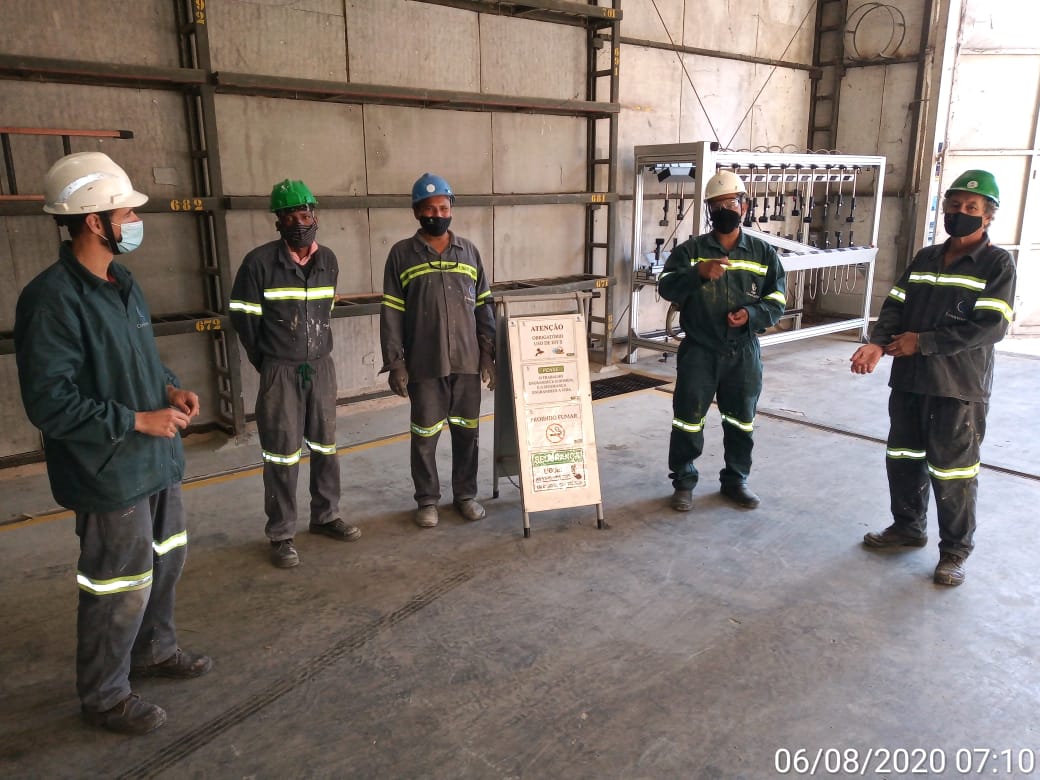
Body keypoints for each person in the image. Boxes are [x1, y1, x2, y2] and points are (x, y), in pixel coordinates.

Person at [14, 152, 212, 736]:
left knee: (165, 562)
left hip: (155, 462)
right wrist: (135, 420)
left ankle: (153, 650)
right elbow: (49, 401)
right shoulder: (51, 299)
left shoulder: (122, 282)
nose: (133, 220)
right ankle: (104, 695)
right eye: (126, 211)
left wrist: (169, 391)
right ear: (95, 220)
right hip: (109, 469)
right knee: (117, 585)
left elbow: (138, 362)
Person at [851, 170, 1016, 587]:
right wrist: (878, 342)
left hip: (957, 387)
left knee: (953, 472)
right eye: (955, 205)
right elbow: (896, 304)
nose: (961, 213)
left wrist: (922, 343)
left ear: (988, 216)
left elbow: (991, 326)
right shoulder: (925, 258)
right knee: (903, 459)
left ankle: (954, 552)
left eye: (972, 208)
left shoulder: (997, 264)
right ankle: (907, 527)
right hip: (909, 381)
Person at [230, 180, 360, 568]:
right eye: (288, 216)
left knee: (325, 446)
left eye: (303, 214)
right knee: (282, 454)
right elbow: (244, 319)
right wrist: (269, 361)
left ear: (314, 215)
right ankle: (282, 532)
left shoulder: (329, 261)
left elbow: (324, 315)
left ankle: (325, 515)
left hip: (321, 367)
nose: (297, 222)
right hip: (280, 371)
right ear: (278, 222)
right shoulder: (259, 264)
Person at [658, 170, 787, 512]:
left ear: (744, 206)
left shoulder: (762, 253)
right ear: (709, 212)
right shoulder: (692, 251)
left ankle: (736, 480)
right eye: (717, 205)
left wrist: (752, 316)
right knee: (688, 417)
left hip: (743, 352)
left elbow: (777, 300)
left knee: (741, 419)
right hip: (700, 349)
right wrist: (698, 273)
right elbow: (666, 286)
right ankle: (683, 482)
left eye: (731, 202)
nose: (724, 210)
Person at [380, 173, 496, 528]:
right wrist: (396, 363)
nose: (437, 213)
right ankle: (427, 500)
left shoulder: (470, 251)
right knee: (425, 437)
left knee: (467, 433)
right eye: (429, 208)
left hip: (466, 362)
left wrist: (488, 354)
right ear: (417, 212)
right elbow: (391, 312)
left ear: (451, 209)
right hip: (425, 364)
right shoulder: (401, 254)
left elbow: (484, 307)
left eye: (443, 207)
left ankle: (465, 494)